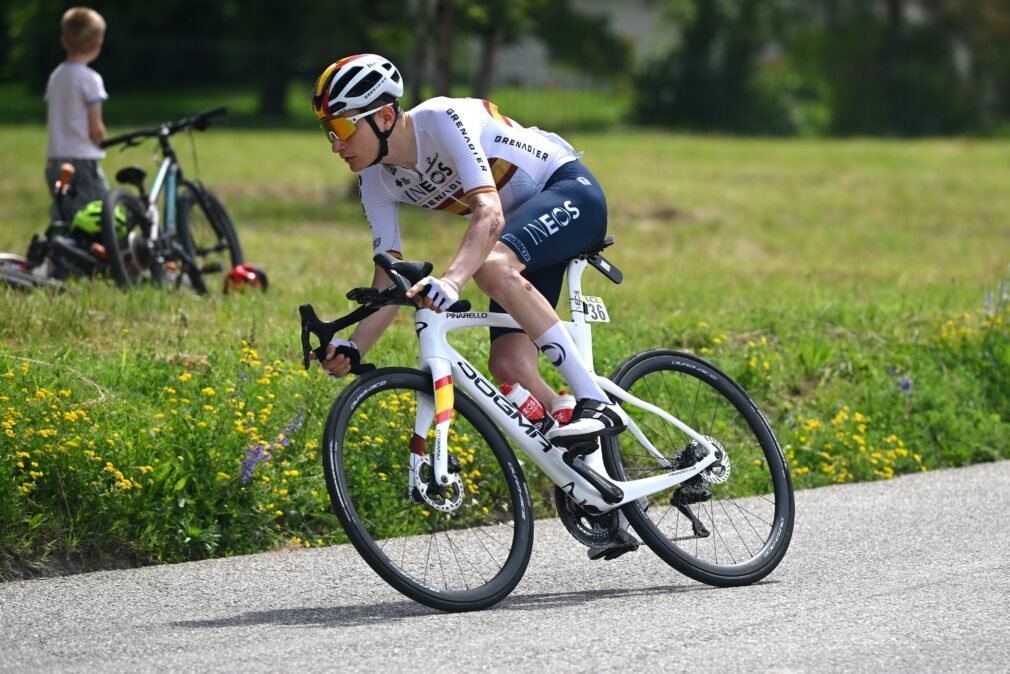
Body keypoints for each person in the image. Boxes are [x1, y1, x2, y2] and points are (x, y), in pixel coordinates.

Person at [311, 53, 629, 452]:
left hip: (567, 190)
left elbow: (489, 214)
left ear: (386, 117)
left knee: (491, 267)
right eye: (328, 131)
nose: (336, 144)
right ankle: (588, 465)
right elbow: (387, 278)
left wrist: (452, 280)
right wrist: (354, 347)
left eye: (343, 126)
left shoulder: (441, 120)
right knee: (509, 368)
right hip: (520, 230)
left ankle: (598, 404)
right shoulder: (374, 180)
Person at [44, 7, 109, 221]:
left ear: (64, 40)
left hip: (56, 162)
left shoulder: (56, 76)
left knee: (64, 210)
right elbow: (95, 127)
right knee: (98, 213)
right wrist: (101, 139)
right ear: (98, 45)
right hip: (82, 162)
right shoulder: (90, 79)